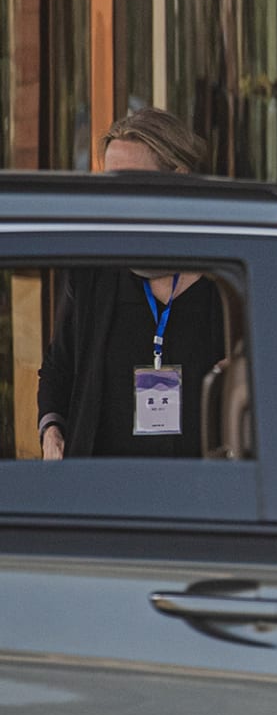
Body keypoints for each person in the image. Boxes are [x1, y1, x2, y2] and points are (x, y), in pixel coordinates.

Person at [38, 108, 223, 460]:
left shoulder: (226, 276)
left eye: (131, 183)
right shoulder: (92, 271)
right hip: (108, 486)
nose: (118, 198)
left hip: (203, 486)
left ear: (178, 179)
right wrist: (52, 431)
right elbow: (58, 367)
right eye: (110, 184)